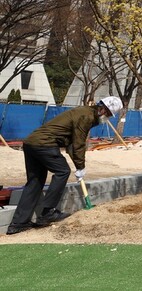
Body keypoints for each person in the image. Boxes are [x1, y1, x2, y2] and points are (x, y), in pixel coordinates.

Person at [6, 96, 123, 235]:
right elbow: (78, 144)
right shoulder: (86, 117)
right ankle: (48, 212)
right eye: (109, 114)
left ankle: (18, 224)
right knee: (63, 171)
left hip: (31, 143)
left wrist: (78, 164)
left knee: (35, 182)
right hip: (45, 143)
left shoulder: (84, 112)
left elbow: (71, 145)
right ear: (103, 109)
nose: (108, 117)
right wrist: (80, 166)